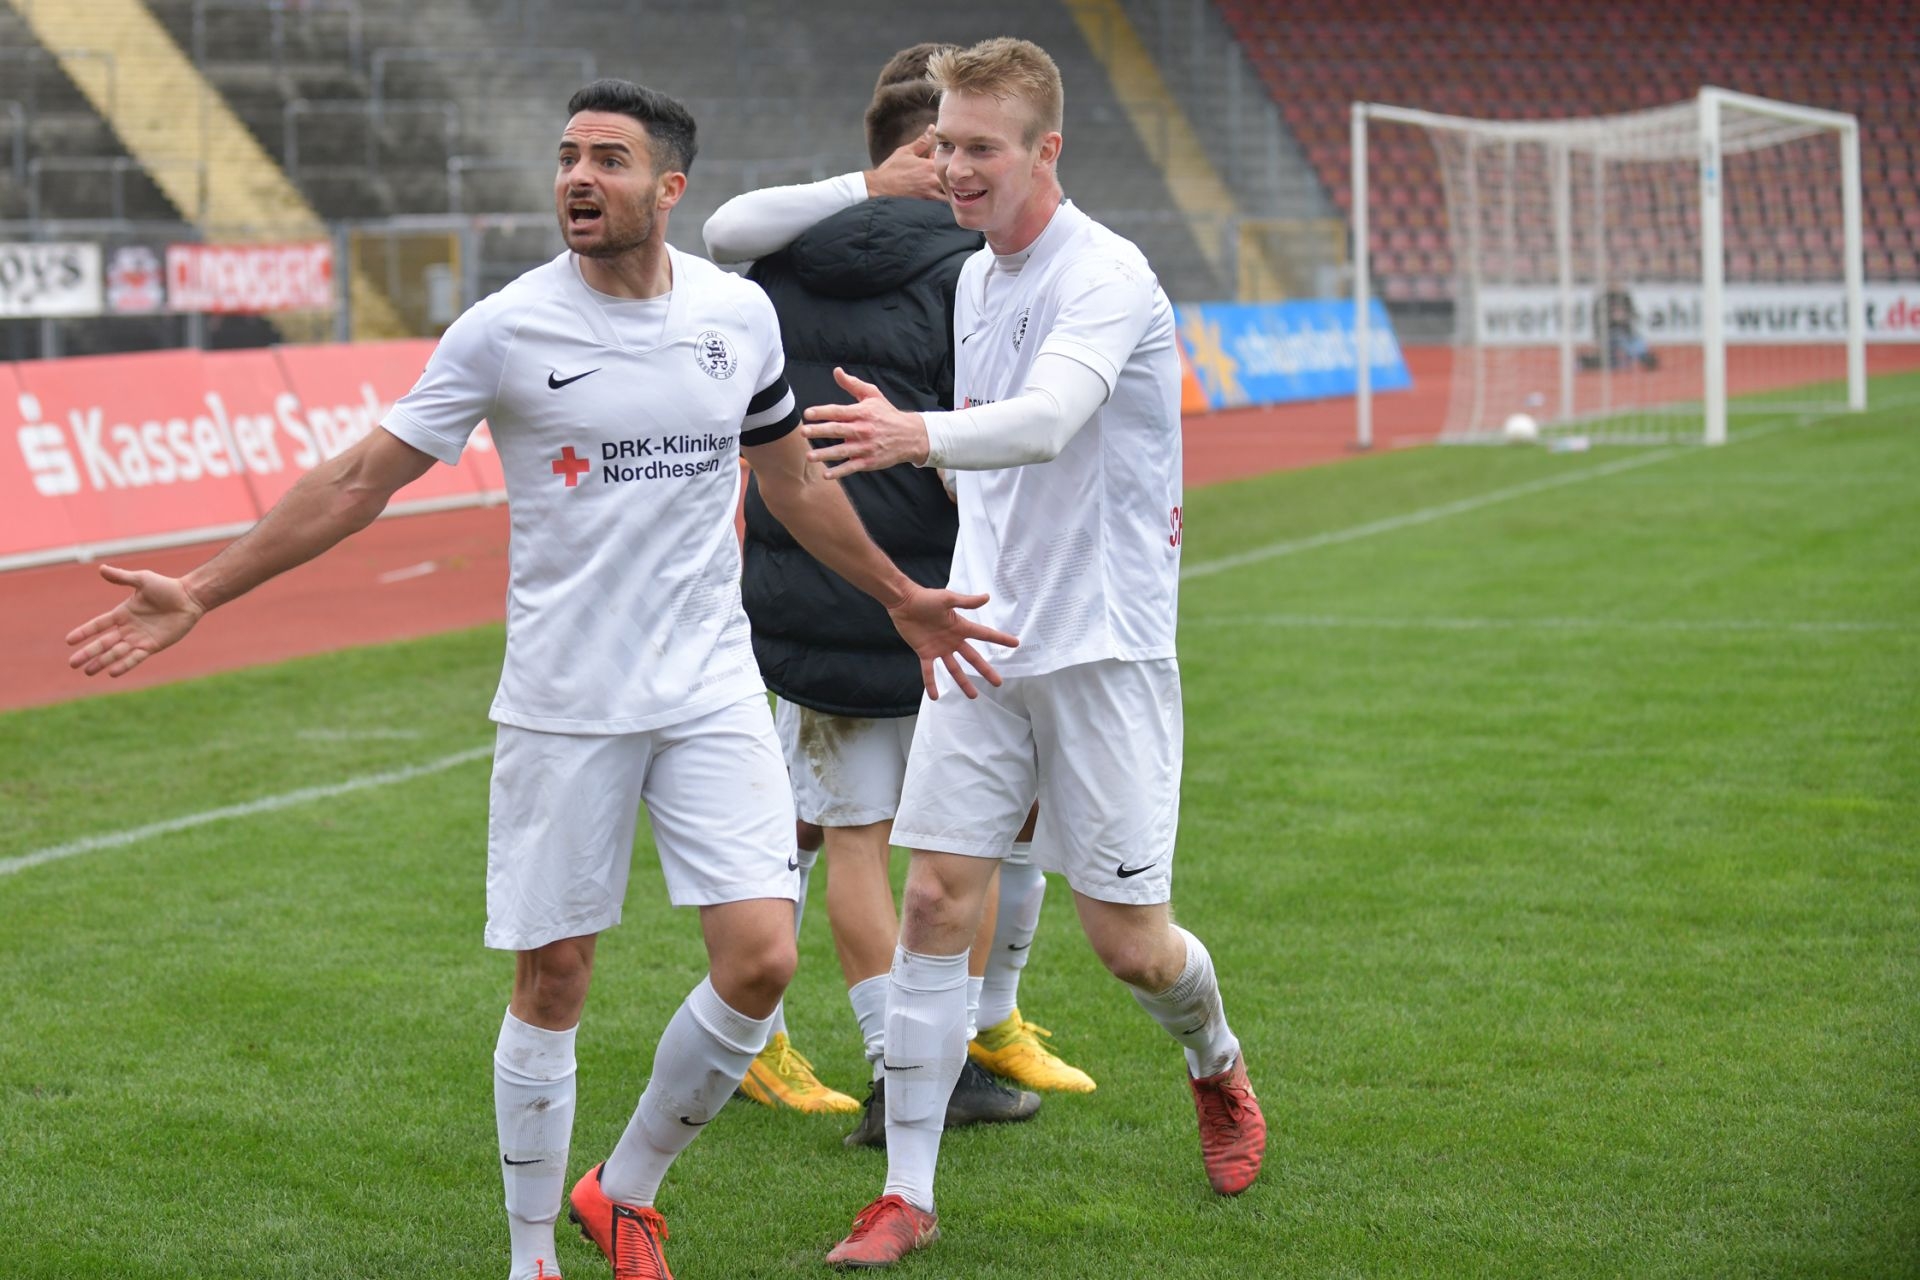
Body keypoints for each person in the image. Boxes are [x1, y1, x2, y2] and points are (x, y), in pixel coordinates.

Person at [64, 78, 1013, 1280]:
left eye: (608, 159)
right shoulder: (508, 328)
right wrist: (200, 589)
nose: (578, 176)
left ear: (669, 188)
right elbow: (361, 477)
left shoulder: (737, 315)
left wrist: (899, 596)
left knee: (762, 959)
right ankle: (532, 1258)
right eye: (567, 156)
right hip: (566, 700)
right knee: (555, 975)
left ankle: (624, 1190)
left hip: (711, 687)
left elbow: (793, 482)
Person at [797, 39, 1269, 1268]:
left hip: (1101, 644)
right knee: (938, 895)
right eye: (944, 143)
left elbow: (1053, 420)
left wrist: (917, 434)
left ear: (1045, 150)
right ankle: (907, 1190)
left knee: (1131, 944)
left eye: (979, 147)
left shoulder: (1106, 272)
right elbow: (991, 456)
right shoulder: (973, 278)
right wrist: (924, 498)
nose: (954, 166)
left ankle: (1214, 1061)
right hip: (985, 634)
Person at [706, 43, 1094, 1140]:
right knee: (972, 826)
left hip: (804, 573)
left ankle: (899, 1053)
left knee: (854, 828)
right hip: (939, 585)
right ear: (934, 153)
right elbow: (1003, 435)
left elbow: (727, 234)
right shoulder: (982, 268)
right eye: (960, 146)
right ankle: (935, 1054)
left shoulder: (777, 257)